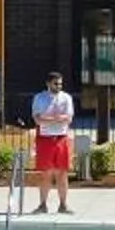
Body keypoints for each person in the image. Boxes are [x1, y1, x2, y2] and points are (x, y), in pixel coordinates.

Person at [27, 71, 76, 215]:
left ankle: (63, 205)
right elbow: (38, 120)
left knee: (62, 173)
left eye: (60, 83)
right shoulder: (39, 98)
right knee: (46, 173)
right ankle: (42, 205)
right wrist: (56, 119)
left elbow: (68, 119)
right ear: (48, 83)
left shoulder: (66, 98)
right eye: (55, 83)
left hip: (61, 137)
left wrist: (49, 118)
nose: (58, 86)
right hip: (45, 138)